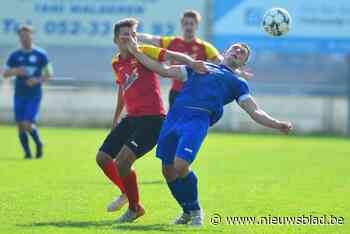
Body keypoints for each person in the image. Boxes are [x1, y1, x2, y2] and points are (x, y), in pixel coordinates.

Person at [123, 35, 293, 226]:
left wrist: (277, 124)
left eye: (242, 53)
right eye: (235, 48)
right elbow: (164, 70)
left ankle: (196, 211)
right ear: (225, 52)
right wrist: (137, 52)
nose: (237, 52)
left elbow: (255, 110)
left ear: (243, 63)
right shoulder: (200, 66)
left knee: (181, 165)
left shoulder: (237, 83)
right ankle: (187, 212)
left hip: (198, 120)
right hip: (175, 117)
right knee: (167, 169)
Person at [95, 18, 208, 223]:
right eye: (125, 35)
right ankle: (126, 194)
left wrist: (193, 63)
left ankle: (134, 208)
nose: (131, 38)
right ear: (115, 39)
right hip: (131, 119)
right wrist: (116, 118)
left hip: (152, 119)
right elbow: (122, 90)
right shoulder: (116, 62)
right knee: (102, 158)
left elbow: (173, 55)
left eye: (133, 34)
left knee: (123, 162)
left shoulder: (145, 52)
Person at [137, 10, 223, 107]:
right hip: (177, 93)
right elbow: (150, 38)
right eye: (186, 23)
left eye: (192, 24)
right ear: (182, 25)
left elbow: (221, 63)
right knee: (175, 122)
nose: (189, 27)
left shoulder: (205, 47)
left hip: (197, 93)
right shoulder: (172, 42)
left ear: (197, 26)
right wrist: (133, 35)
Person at [2, 25, 53, 159]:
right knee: (20, 125)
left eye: (27, 35)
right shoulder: (15, 55)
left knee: (27, 123)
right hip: (19, 93)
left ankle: (38, 143)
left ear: (32, 36)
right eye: (22, 36)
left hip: (34, 94)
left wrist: (36, 80)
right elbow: (5, 73)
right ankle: (28, 153)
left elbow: (49, 74)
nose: (25, 38)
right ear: (19, 37)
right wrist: (16, 71)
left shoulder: (40, 54)